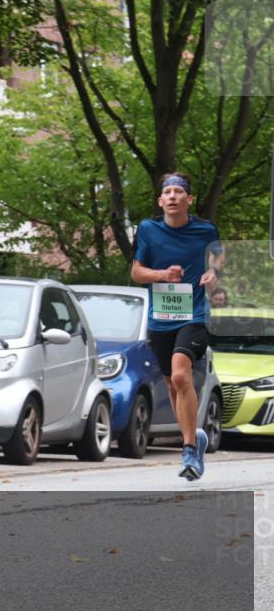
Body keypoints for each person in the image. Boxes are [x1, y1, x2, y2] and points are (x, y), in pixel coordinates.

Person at [131, 172, 223, 480]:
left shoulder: (205, 229)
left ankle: (188, 450)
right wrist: (161, 275)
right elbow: (136, 273)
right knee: (173, 384)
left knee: (182, 375)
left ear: (189, 199)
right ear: (161, 201)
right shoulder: (147, 229)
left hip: (194, 314)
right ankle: (194, 436)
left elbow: (217, 259)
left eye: (178, 192)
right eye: (167, 192)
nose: (172, 196)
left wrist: (211, 273)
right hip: (161, 318)